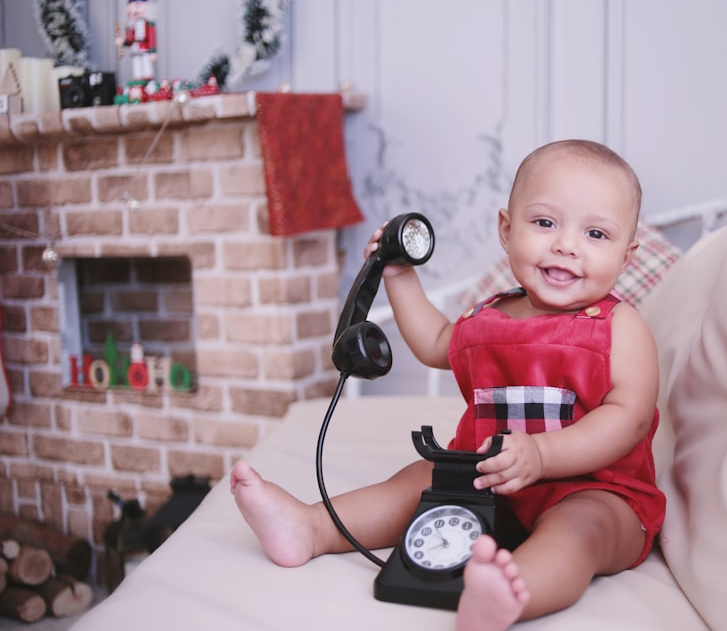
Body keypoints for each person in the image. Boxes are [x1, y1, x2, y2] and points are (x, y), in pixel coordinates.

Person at [231, 139, 665, 630]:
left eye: (596, 233)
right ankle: (310, 528)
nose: (566, 244)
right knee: (416, 483)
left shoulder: (619, 326)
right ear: (507, 229)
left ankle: (509, 595)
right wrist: (398, 276)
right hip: (489, 479)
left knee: (581, 532)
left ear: (627, 257)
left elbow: (626, 419)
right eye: (545, 223)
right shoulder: (490, 315)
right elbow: (436, 341)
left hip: (595, 490)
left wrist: (543, 456)